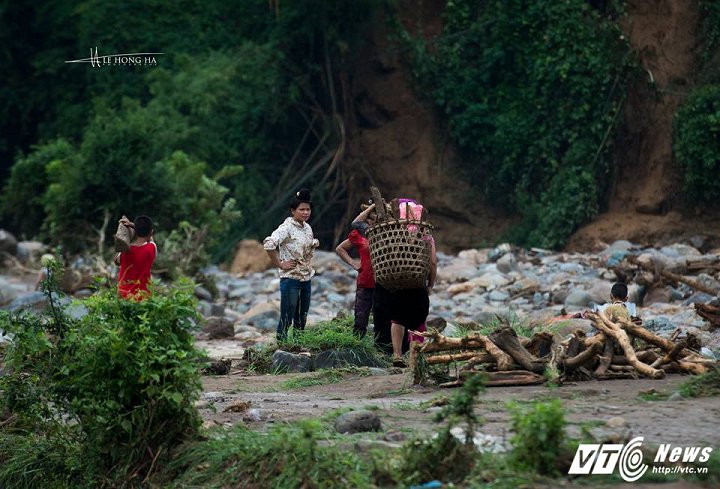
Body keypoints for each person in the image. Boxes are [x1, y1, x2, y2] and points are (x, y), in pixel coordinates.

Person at [263, 189, 319, 341]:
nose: (305, 212)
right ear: (293, 210)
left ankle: (298, 346)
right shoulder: (286, 228)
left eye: (308, 209)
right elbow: (269, 244)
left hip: (306, 278)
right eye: (302, 209)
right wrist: (280, 264)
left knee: (302, 318)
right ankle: (281, 348)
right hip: (291, 280)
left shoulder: (307, 228)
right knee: (287, 317)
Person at [335, 202, 377, 337]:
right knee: (360, 317)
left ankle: (382, 348)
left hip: (384, 283)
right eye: (370, 218)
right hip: (365, 282)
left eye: (375, 217)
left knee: (382, 317)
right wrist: (353, 262)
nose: (372, 221)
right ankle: (358, 344)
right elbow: (340, 249)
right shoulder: (361, 234)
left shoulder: (388, 233)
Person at [113, 215, 157, 300]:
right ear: (151, 232)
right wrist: (132, 225)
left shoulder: (125, 252)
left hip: (123, 299)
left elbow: (116, 261)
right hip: (143, 298)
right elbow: (151, 239)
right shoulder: (151, 248)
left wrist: (129, 230)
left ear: (135, 232)